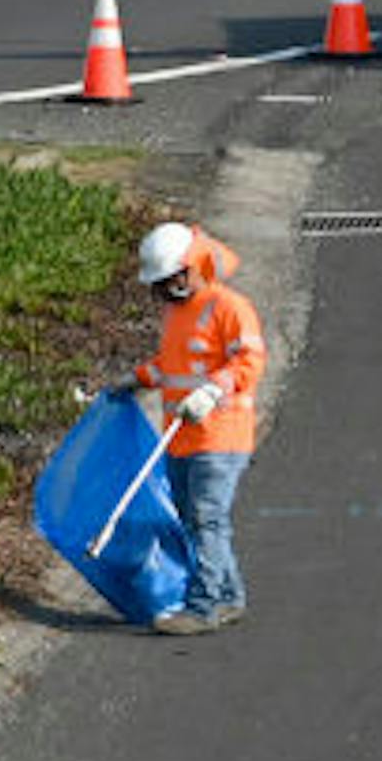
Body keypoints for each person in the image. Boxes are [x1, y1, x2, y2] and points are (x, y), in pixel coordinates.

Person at [132, 221, 268, 635]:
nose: (166, 291)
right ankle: (228, 597)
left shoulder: (229, 307)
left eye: (170, 281)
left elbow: (249, 360)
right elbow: (173, 367)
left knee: (207, 518)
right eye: (160, 285)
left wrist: (214, 390)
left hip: (220, 435)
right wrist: (138, 378)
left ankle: (202, 606)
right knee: (195, 522)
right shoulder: (177, 314)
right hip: (180, 437)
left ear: (191, 268)